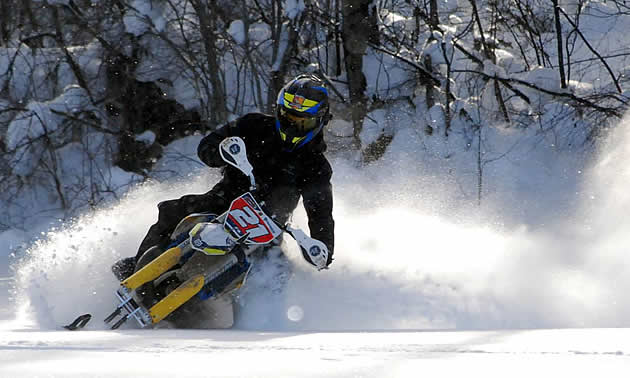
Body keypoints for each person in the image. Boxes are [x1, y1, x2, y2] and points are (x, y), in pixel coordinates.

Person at [113, 74, 335, 280]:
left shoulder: (317, 166)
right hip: (224, 199)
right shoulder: (253, 124)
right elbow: (208, 144)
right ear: (278, 110)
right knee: (172, 211)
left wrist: (322, 248)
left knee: (275, 269)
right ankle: (136, 269)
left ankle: (263, 317)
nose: (293, 125)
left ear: (320, 120)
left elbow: (320, 213)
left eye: (302, 121)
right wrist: (219, 152)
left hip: (267, 228)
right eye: (288, 117)